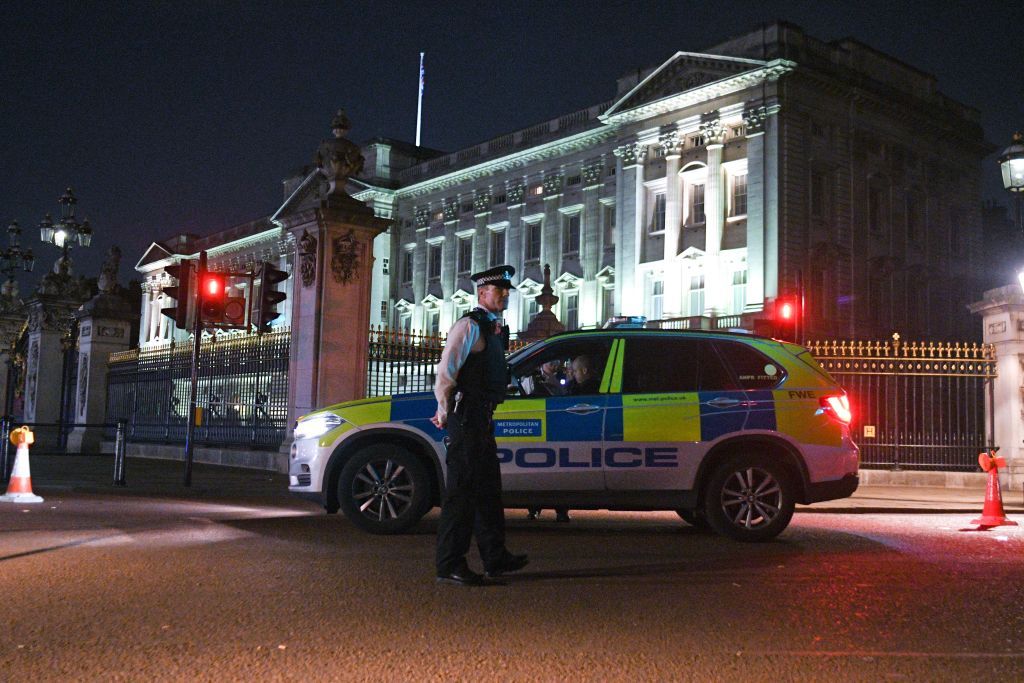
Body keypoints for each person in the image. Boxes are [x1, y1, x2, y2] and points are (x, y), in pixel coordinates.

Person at [431, 265, 529, 586]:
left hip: (483, 418)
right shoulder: (469, 326)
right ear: (482, 293)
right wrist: (444, 412)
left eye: (506, 291)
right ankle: (449, 564)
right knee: (461, 492)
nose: (504, 295)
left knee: (488, 490)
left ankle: (494, 557)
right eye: (499, 291)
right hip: (467, 416)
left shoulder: (493, 328)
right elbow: (446, 372)